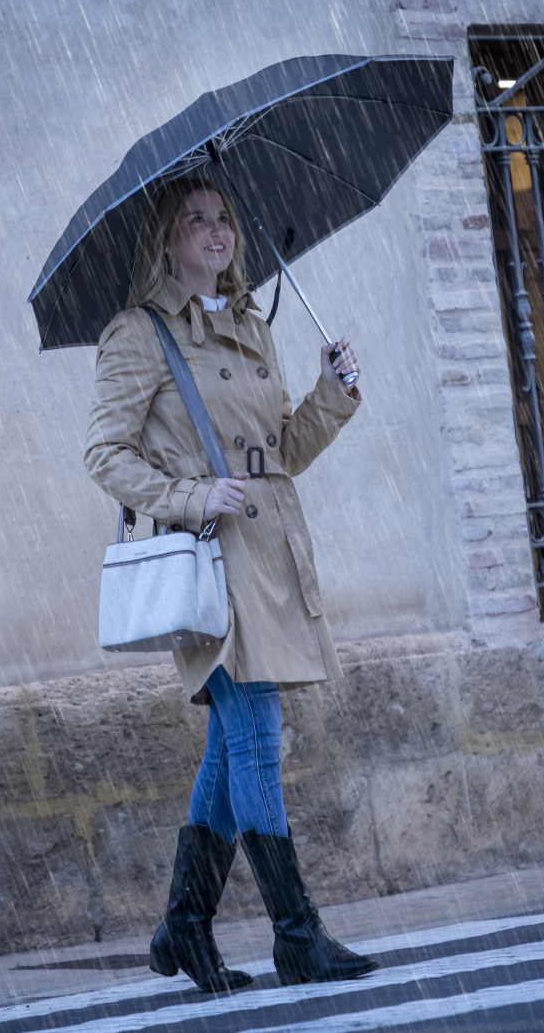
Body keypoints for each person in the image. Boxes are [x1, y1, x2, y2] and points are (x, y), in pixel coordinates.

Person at [84, 177, 376, 991]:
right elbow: (104, 454)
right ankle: (296, 933)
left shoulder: (250, 323)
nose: (216, 233)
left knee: (230, 744)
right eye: (195, 221)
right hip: (212, 559)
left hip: (274, 553)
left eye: (224, 219)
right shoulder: (138, 335)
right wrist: (189, 495)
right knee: (255, 738)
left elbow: (279, 448)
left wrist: (335, 394)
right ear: (167, 241)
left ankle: (183, 927)